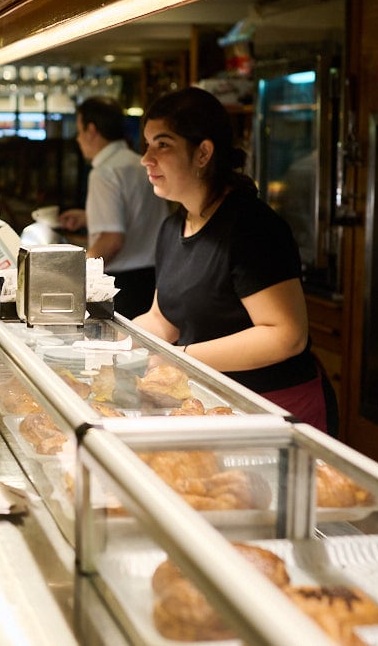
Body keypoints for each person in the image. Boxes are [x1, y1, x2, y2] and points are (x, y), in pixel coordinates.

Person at [132, 86, 336, 434]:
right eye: (147, 144)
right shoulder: (172, 228)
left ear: (203, 153)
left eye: (162, 144)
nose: (146, 158)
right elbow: (162, 320)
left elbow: (286, 335)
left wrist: (180, 358)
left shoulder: (252, 228)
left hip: (274, 406)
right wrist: (105, 342)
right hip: (215, 402)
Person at [57, 96, 168, 317]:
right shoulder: (138, 163)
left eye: (79, 131)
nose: (78, 139)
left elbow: (112, 239)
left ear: (91, 130)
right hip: (155, 278)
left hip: (123, 283)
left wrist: (73, 275)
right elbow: (137, 215)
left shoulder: (104, 172)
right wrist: (88, 217)